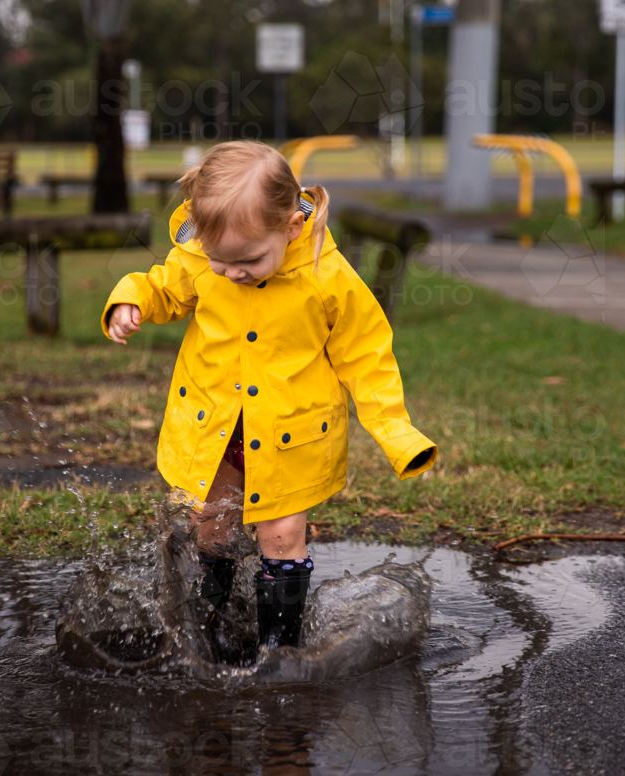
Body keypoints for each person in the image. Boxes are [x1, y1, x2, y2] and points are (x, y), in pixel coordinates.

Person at [102, 141, 437, 654]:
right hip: (213, 430)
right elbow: (164, 286)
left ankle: (279, 647)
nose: (233, 272)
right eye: (221, 262)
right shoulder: (198, 256)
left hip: (290, 438)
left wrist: (396, 432)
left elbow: (366, 355)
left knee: (280, 537)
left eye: (250, 260)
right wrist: (132, 300)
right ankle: (206, 633)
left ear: (292, 227)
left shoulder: (325, 275)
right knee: (208, 527)